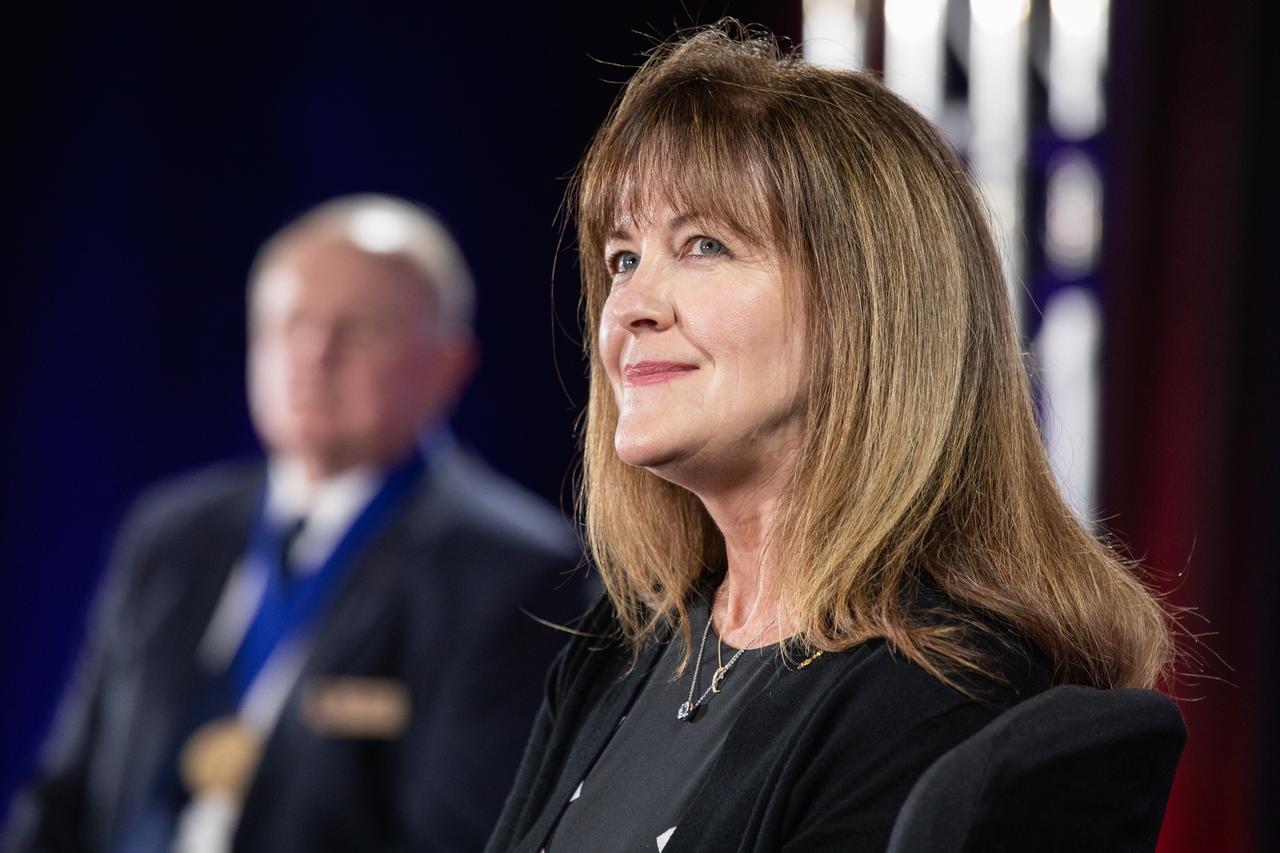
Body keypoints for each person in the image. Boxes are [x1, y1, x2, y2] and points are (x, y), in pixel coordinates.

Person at [485, 24, 1176, 853]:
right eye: (624, 257)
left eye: (704, 246)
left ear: (868, 309)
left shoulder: (940, 694)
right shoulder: (617, 653)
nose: (632, 305)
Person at [6, 195, 585, 853]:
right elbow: (64, 796)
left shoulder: (518, 573)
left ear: (447, 364)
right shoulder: (168, 534)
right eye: (289, 323)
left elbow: (454, 839)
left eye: (358, 328)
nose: (314, 353)